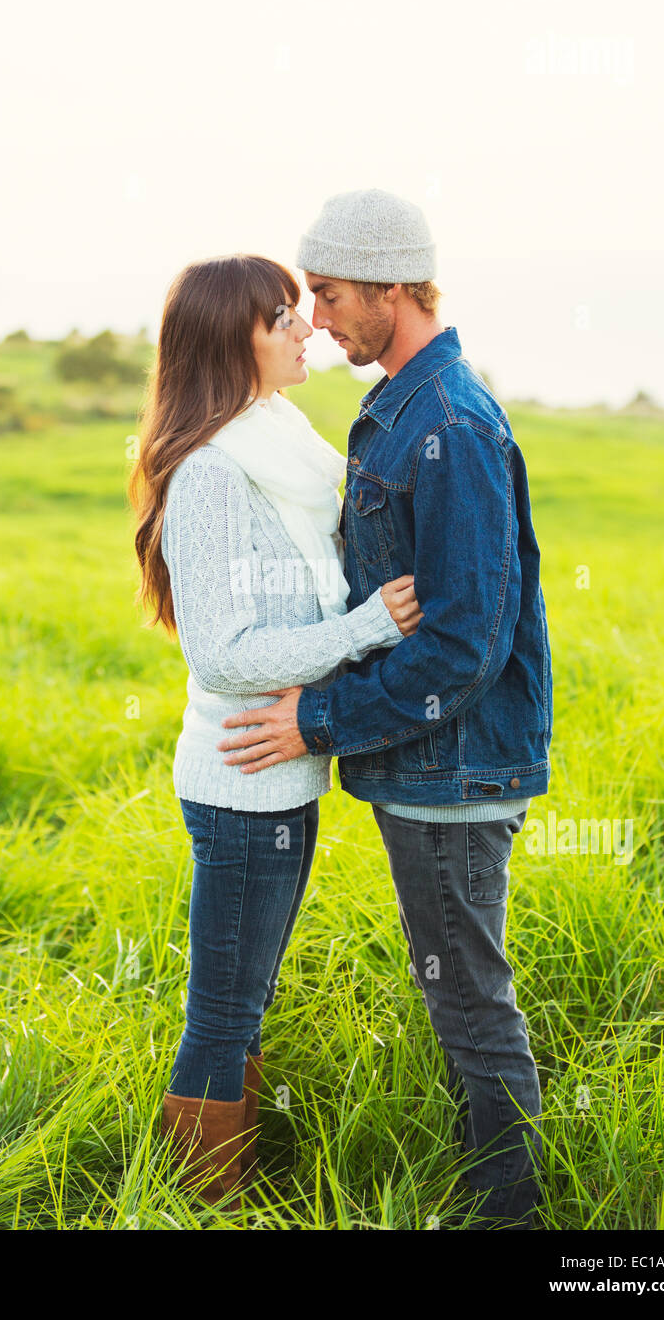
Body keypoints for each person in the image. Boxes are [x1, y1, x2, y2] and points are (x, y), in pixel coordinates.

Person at [215, 189, 553, 1229]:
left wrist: (316, 717)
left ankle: (512, 1219)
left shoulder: (447, 421)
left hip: (455, 768)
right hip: (431, 763)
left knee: (469, 1006)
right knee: (460, 996)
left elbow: (463, 642)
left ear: (392, 287)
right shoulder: (406, 403)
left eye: (327, 294)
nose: (315, 318)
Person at [129, 252, 421, 1207]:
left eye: (304, 311)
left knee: (243, 1009)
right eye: (283, 318)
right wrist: (371, 625)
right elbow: (222, 654)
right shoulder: (214, 473)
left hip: (286, 777)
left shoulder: (279, 437)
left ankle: (222, 1187)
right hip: (242, 785)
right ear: (232, 342)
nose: (308, 331)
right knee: (224, 1015)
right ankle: (202, 1203)